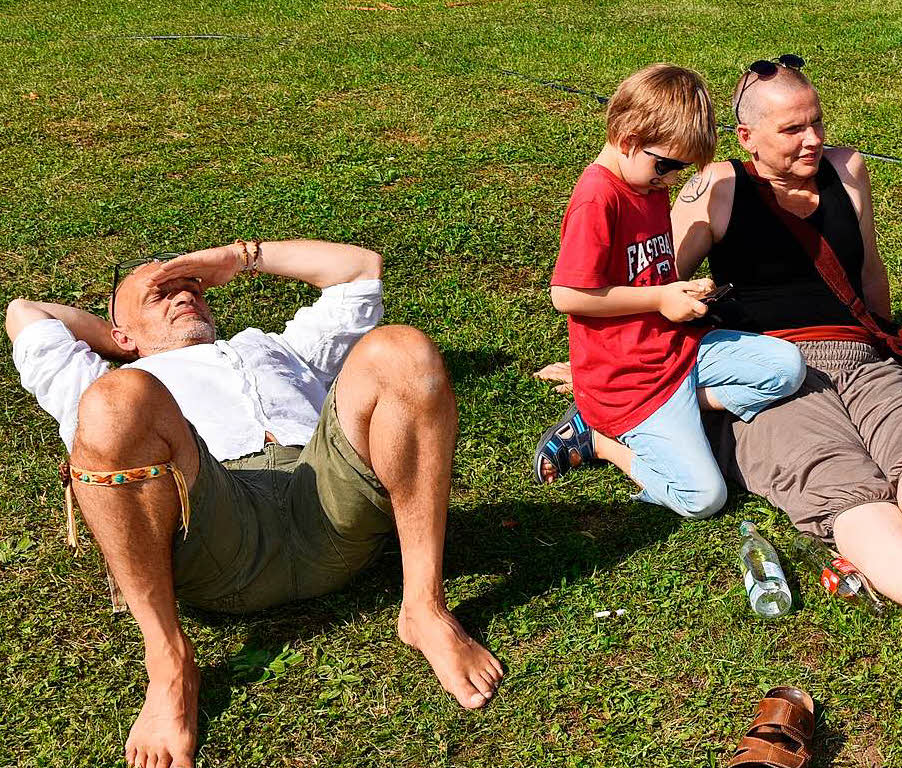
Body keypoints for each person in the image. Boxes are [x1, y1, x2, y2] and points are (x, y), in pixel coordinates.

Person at [6, 239, 503, 768]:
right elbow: (24, 312)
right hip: (218, 529)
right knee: (114, 401)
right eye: (160, 294)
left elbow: (360, 271)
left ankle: (424, 609)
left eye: (188, 286)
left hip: (327, 498)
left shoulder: (277, 347)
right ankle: (170, 662)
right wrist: (117, 339)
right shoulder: (98, 378)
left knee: (401, 347)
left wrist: (237, 258)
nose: (181, 295)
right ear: (122, 333)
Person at [665, 57, 902, 671]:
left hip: (858, 352)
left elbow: (868, 270)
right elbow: (654, 287)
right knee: (841, 489)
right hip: (767, 368)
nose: (812, 139)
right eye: (791, 130)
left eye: (817, 122)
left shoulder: (846, 168)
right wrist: (605, 368)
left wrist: (889, 335)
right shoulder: (715, 188)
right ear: (746, 137)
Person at [534, 63, 805, 521]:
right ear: (629, 141)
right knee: (703, 498)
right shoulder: (599, 196)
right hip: (632, 380)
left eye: (680, 169)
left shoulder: (647, 183)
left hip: (676, 351)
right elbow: (569, 294)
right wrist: (660, 299)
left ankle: (681, 406)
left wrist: (682, 290)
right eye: (666, 165)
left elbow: (649, 272)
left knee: (788, 367)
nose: (671, 178)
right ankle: (601, 439)